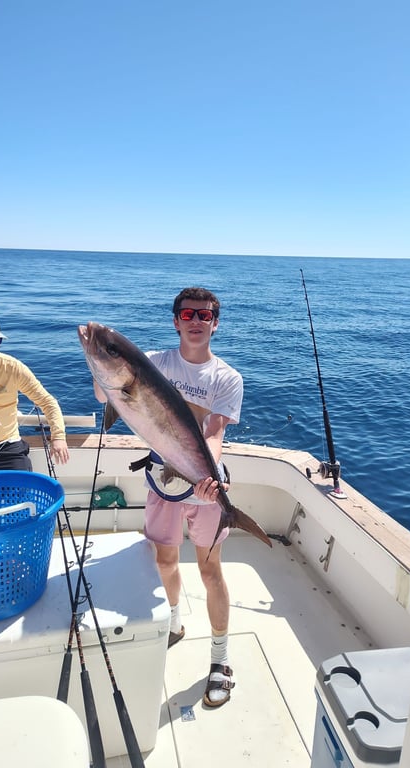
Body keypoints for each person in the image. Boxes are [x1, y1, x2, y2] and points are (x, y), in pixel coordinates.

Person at [95, 287, 242, 708]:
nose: (196, 321)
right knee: (163, 561)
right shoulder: (155, 363)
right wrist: (99, 360)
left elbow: (214, 434)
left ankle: (220, 658)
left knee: (210, 572)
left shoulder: (227, 378)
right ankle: (174, 623)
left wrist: (207, 479)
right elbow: (106, 395)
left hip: (206, 489)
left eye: (205, 315)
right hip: (161, 481)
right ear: (176, 321)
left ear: (215, 323)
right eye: (188, 314)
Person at [0, 311, 69, 475]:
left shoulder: (12, 367)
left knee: (22, 490)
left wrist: (58, 437)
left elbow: (48, 402)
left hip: (7, 447)